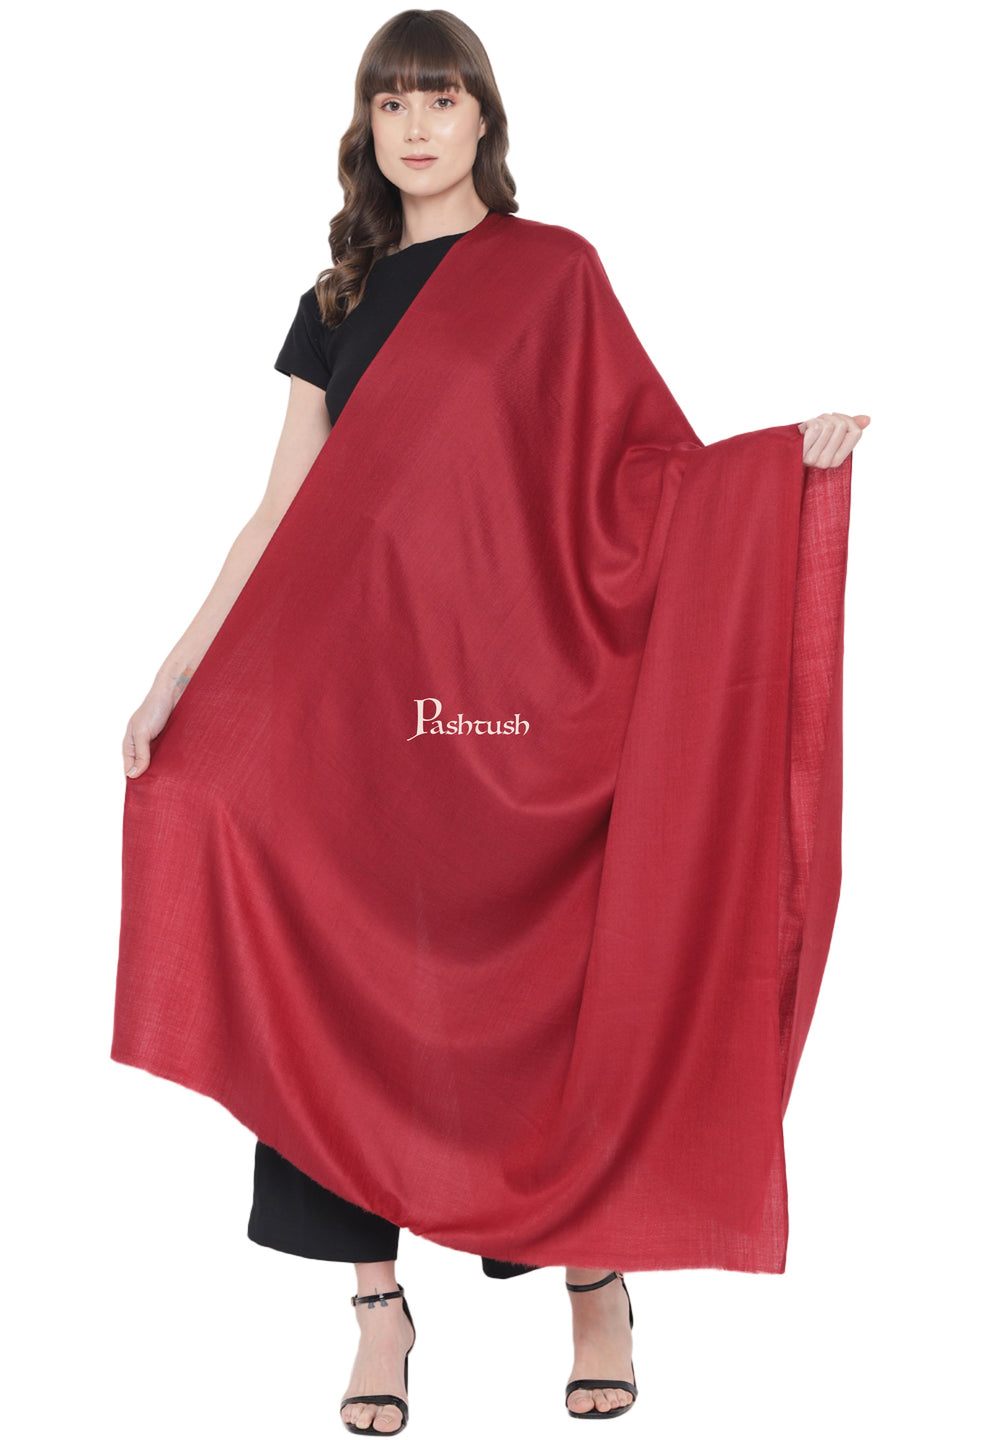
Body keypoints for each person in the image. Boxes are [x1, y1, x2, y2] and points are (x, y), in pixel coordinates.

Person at [117, 9, 867, 1433]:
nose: (417, 126)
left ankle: (595, 1276)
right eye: (392, 102)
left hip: (512, 707)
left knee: (542, 977)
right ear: (366, 128)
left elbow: (645, 475)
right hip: (353, 715)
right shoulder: (334, 302)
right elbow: (282, 515)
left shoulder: (551, 274)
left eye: (441, 98)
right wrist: (174, 679)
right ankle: (376, 1308)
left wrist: (780, 468)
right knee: (321, 972)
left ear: (483, 119)